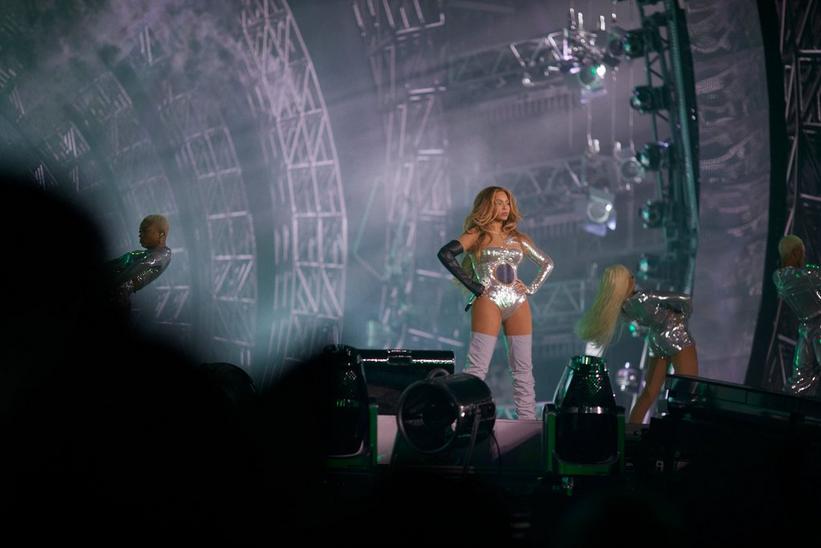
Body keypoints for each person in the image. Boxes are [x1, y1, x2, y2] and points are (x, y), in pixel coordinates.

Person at [437, 186, 553, 420]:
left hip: (518, 301)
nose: (504, 208)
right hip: (488, 299)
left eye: (507, 203)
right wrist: (474, 286)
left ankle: (528, 423)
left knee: (523, 368)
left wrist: (530, 288)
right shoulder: (477, 234)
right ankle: (463, 418)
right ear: (487, 206)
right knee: (478, 367)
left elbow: (547, 263)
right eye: (498, 203)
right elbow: (446, 254)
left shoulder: (518, 238)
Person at [575, 264, 698, 424]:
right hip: (677, 336)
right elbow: (685, 300)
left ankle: (631, 430)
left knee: (649, 393)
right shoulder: (644, 297)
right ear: (625, 283)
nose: (634, 279)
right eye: (630, 277)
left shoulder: (624, 307)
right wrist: (682, 317)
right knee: (689, 386)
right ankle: (682, 426)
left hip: (656, 341)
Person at [773, 234, 821, 395]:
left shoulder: (787, 277)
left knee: (801, 377)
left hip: (808, 329)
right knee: (801, 378)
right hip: (813, 329)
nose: (804, 256)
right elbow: (809, 277)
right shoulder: (788, 276)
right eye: (802, 252)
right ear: (794, 253)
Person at [105, 214, 172, 309]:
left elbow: (140, 267)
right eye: (140, 231)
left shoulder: (162, 255)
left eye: (145, 231)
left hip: (115, 299)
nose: (140, 234)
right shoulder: (141, 254)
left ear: (161, 234)